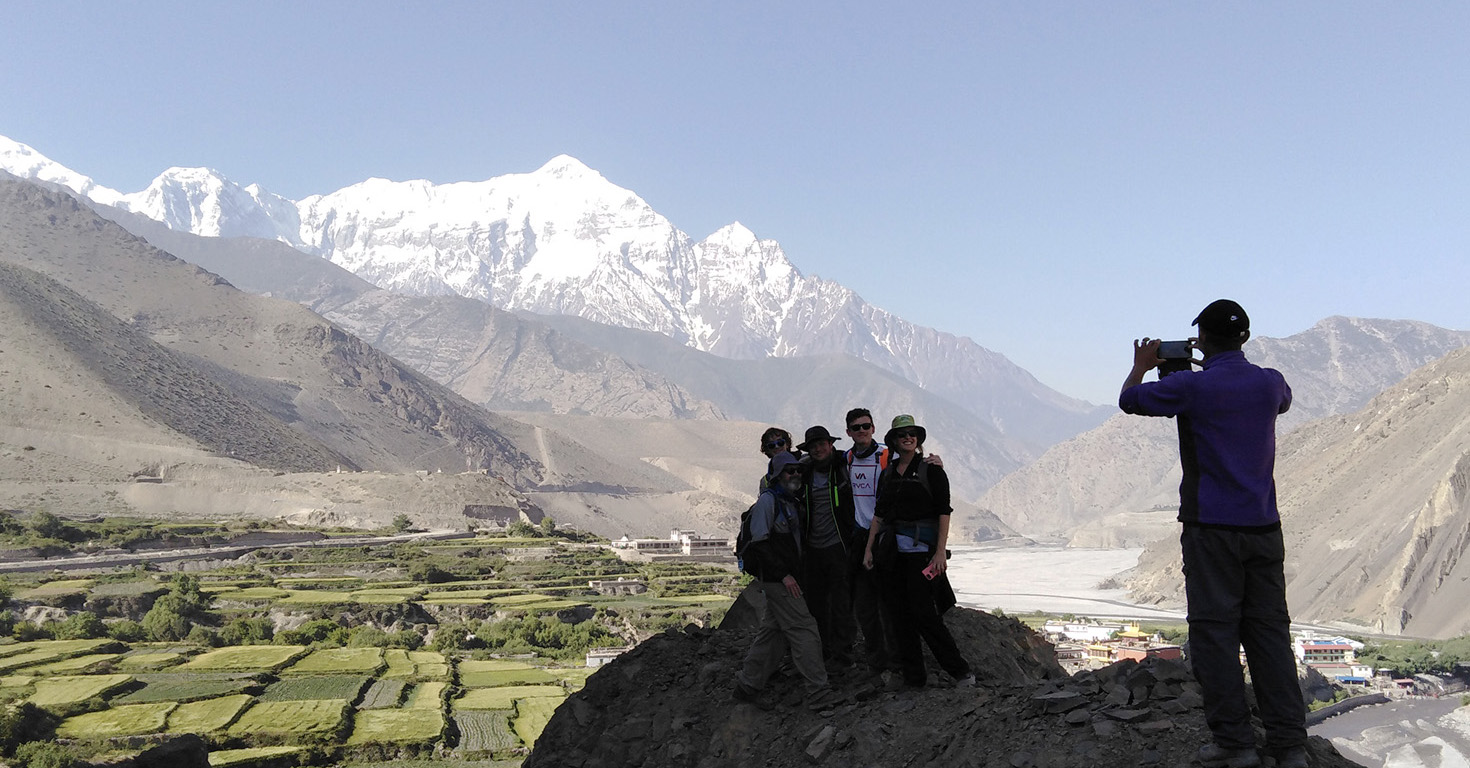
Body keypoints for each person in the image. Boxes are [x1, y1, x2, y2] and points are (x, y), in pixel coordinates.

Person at [1119, 299, 1307, 768]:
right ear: (1244, 338)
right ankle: (1289, 747)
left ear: (1200, 338)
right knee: (1269, 636)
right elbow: (1282, 397)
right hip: (1265, 528)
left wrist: (1142, 366)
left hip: (1212, 532)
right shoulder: (1269, 383)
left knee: (1215, 638)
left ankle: (1235, 746)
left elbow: (1130, 401)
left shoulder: (1191, 387)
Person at [862, 414, 973, 689]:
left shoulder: (932, 471)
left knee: (925, 614)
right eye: (902, 435)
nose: (907, 438)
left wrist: (939, 553)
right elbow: (879, 514)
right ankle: (914, 678)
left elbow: (943, 512)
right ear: (894, 441)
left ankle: (960, 672)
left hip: (921, 553)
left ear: (918, 439)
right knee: (899, 615)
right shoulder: (888, 474)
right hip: (892, 555)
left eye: (912, 433)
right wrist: (868, 549)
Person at [733, 451, 844, 710]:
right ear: (776, 475)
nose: (795, 474)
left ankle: (747, 686)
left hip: (784, 580)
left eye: (797, 470)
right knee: (804, 629)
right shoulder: (768, 503)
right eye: (788, 471)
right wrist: (784, 576)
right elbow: (760, 544)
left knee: (772, 632)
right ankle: (818, 692)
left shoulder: (790, 501)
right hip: (779, 581)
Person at [794, 425, 857, 668]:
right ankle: (822, 651)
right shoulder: (804, 471)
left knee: (842, 603)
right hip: (812, 550)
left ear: (831, 445)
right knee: (816, 604)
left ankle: (844, 655)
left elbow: (874, 456)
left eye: (822, 444)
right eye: (813, 445)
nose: (818, 449)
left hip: (839, 547)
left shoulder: (844, 466)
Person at [756, 427, 799, 493]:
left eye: (780, 442)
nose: (776, 446)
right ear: (767, 450)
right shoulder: (765, 481)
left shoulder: (803, 463)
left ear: (787, 444)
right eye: (771, 445)